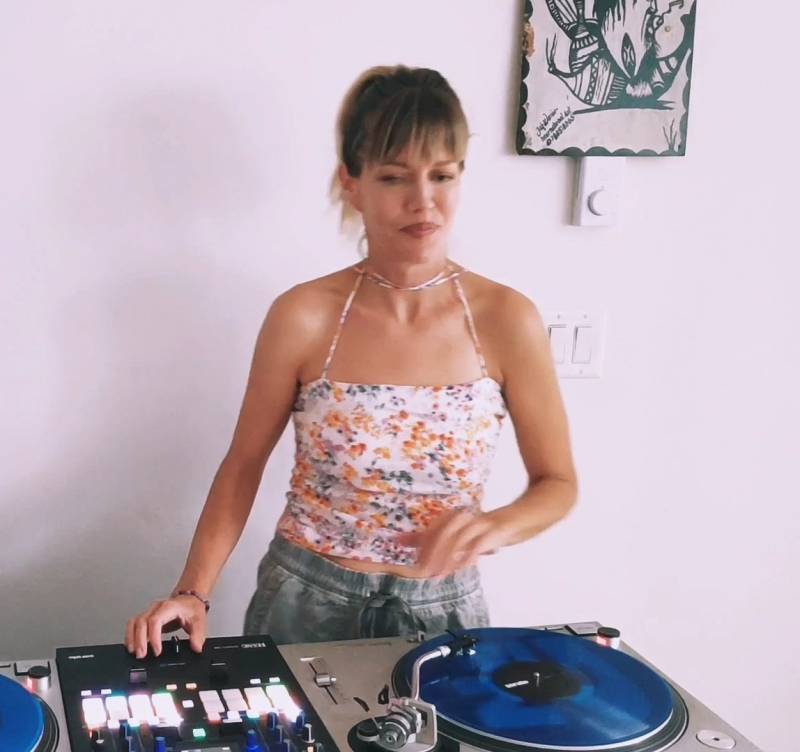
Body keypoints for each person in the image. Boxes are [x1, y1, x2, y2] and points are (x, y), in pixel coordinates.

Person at [125, 64, 577, 658]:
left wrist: (498, 525)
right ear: (352, 182)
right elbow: (243, 464)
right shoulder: (304, 315)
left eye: (442, 175)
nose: (423, 201)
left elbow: (558, 483)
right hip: (304, 603)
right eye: (394, 177)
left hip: (444, 613)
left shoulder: (506, 318)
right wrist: (193, 592)